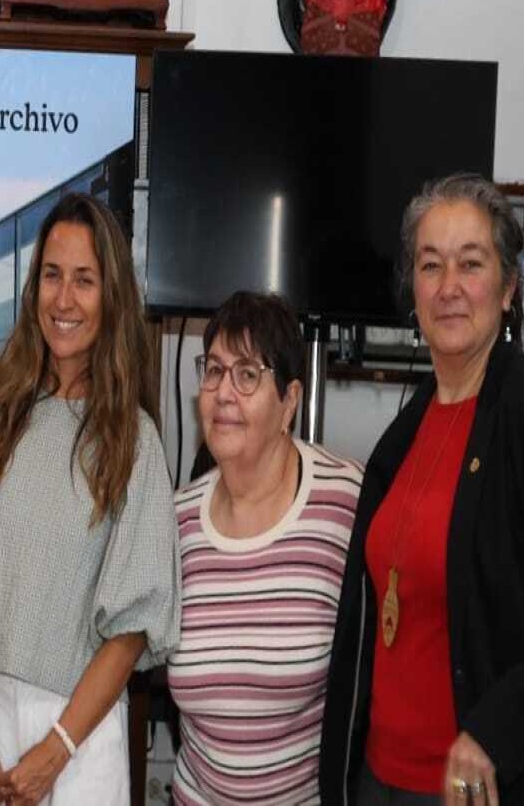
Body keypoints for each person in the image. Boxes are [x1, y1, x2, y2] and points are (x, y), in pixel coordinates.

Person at [0, 192, 179, 806]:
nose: (63, 300)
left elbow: (131, 631)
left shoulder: (133, 442)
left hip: (80, 745)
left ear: (111, 297)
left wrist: (56, 750)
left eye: (85, 281)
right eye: (51, 276)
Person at [321, 174, 524, 805]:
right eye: (431, 265)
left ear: (508, 288)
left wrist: (495, 733)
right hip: (378, 779)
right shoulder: (404, 433)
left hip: (475, 787)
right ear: (413, 291)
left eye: (470, 264)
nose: (449, 287)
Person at [168, 291, 363, 804]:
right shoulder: (176, 520)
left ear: (290, 402)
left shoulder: (346, 503)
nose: (223, 392)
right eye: (213, 370)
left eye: (248, 374)